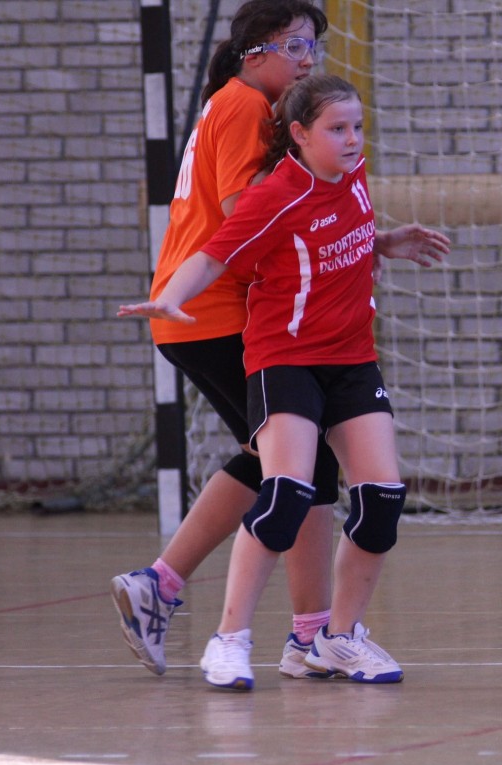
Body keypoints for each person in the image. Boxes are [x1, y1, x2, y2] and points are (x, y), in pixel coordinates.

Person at [119, 74, 451, 690]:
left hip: (352, 359)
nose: (352, 139)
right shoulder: (274, 195)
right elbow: (213, 255)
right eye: (337, 129)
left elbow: (334, 234)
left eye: (357, 126)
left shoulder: (353, 174)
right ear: (298, 134)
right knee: (286, 494)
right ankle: (229, 640)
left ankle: (338, 639)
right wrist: (169, 298)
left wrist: (383, 243)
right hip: (286, 359)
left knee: (382, 499)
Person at [110, 0, 343, 679]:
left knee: (277, 460)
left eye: (312, 47)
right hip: (214, 313)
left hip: (200, 313)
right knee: (304, 464)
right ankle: (307, 636)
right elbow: (249, 214)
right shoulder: (243, 106)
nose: (307, 60)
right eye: (295, 45)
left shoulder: (236, 103)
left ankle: (163, 584)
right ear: (254, 52)